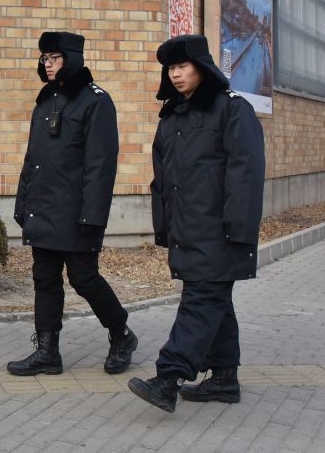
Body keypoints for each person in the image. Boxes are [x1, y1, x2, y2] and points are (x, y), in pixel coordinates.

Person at [128, 34, 265, 413]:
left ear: (202, 66)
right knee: (214, 300)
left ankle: (168, 378)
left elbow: (246, 172)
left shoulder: (232, 109)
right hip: (187, 228)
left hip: (220, 229)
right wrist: (165, 224)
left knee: (201, 301)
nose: (175, 75)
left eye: (182, 66)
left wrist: (237, 229)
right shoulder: (173, 114)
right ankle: (223, 378)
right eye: (170, 68)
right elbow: (163, 174)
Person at [7, 31, 136, 377]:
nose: (46, 65)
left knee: (84, 278)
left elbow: (101, 164)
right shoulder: (44, 101)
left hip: (77, 213)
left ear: (72, 58)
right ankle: (48, 352)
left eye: (54, 58)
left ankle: (121, 335)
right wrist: (22, 203)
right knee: (44, 279)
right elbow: (32, 158)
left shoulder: (96, 101)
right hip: (42, 208)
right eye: (43, 59)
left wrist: (93, 216)